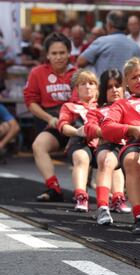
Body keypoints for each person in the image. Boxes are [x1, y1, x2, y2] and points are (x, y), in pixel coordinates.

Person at [101, 57, 140, 236]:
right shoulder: (122, 104)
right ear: (126, 82)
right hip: (139, 147)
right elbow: (107, 127)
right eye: (134, 78)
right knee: (132, 160)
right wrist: (132, 129)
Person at [24, 32, 76, 202]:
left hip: (76, 122)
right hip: (52, 122)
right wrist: (49, 119)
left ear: (69, 53)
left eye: (62, 53)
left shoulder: (78, 73)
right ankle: (53, 187)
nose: (59, 57)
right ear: (47, 55)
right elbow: (31, 102)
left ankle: (106, 195)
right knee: (38, 145)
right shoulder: (37, 73)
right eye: (54, 53)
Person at [84, 69, 128, 225]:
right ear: (104, 90)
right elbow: (89, 128)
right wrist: (108, 131)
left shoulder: (133, 105)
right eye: (110, 87)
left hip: (135, 147)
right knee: (106, 159)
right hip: (110, 147)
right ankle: (103, 207)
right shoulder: (98, 110)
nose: (115, 90)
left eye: (118, 85)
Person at [57, 70, 98, 212]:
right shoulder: (69, 106)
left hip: (103, 145)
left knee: (111, 157)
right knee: (81, 156)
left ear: (97, 88)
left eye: (91, 83)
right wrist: (77, 131)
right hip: (79, 142)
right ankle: (81, 196)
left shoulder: (104, 106)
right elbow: (63, 125)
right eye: (83, 83)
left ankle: (116, 197)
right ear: (77, 88)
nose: (87, 86)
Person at [77, 10, 140, 77]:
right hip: (127, 86)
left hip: (104, 85)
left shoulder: (101, 42)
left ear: (109, 25)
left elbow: (80, 61)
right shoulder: (136, 47)